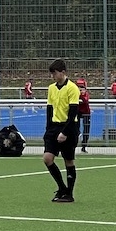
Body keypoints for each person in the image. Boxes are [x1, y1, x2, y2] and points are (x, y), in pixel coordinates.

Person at [41, 59, 80, 203]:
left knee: (68, 160)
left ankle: (69, 194)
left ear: (63, 72)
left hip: (69, 127)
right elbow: (49, 109)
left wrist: (65, 132)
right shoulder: (51, 88)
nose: (53, 76)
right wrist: (48, 129)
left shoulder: (72, 88)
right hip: (54, 127)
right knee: (47, 158)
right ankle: (62, 188)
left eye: (55, 73)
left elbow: (73, 112)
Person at [77, 77, 92, 152]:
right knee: (74, 126)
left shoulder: (86, 94)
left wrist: (81, 95)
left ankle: (84, 146)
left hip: (86, 112)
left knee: (86, 129)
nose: (80, 90)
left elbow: (85, 101)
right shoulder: (75, 94)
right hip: (77, 112)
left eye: (82, 89)